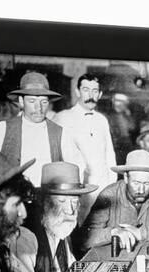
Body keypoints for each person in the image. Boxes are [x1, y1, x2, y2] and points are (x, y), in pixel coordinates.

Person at [12, 161, 111, 272]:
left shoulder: (60, 227)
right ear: (43, 202)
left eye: (74, 202)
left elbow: (71, 268)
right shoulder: (25, 237)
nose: (70, 210)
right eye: (61, 201)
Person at [0, 71, 76, 186]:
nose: (38, 108)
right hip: (14, 200)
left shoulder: (61, 133)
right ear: (21, 101)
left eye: (43, 102)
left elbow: (76, 168)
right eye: (32, 101)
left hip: (49, 200)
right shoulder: (2, 130)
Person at [80, 150, 149, 252]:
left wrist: (140, 233)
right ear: (126, 178)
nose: (141, 190)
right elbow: (84, 239)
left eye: (147, 183)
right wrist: (112, 233)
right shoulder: (108, 196)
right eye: (136, 183)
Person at [54, 74, 117, 225]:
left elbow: (110, 155)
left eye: (95, 91)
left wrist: (111, 187)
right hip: (77, 189)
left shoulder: (102, 120)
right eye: (86, 90)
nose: (91, 95)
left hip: (102, 188)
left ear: (100, 94)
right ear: (77, 92)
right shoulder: (63, 118)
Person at [107, 93, 136, 164]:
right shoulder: (109, 117)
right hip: (116, 146)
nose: (118, 104)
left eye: (122, 102)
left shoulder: (127, 116)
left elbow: (132, 127)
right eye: (116, 101)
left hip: (127, 145)